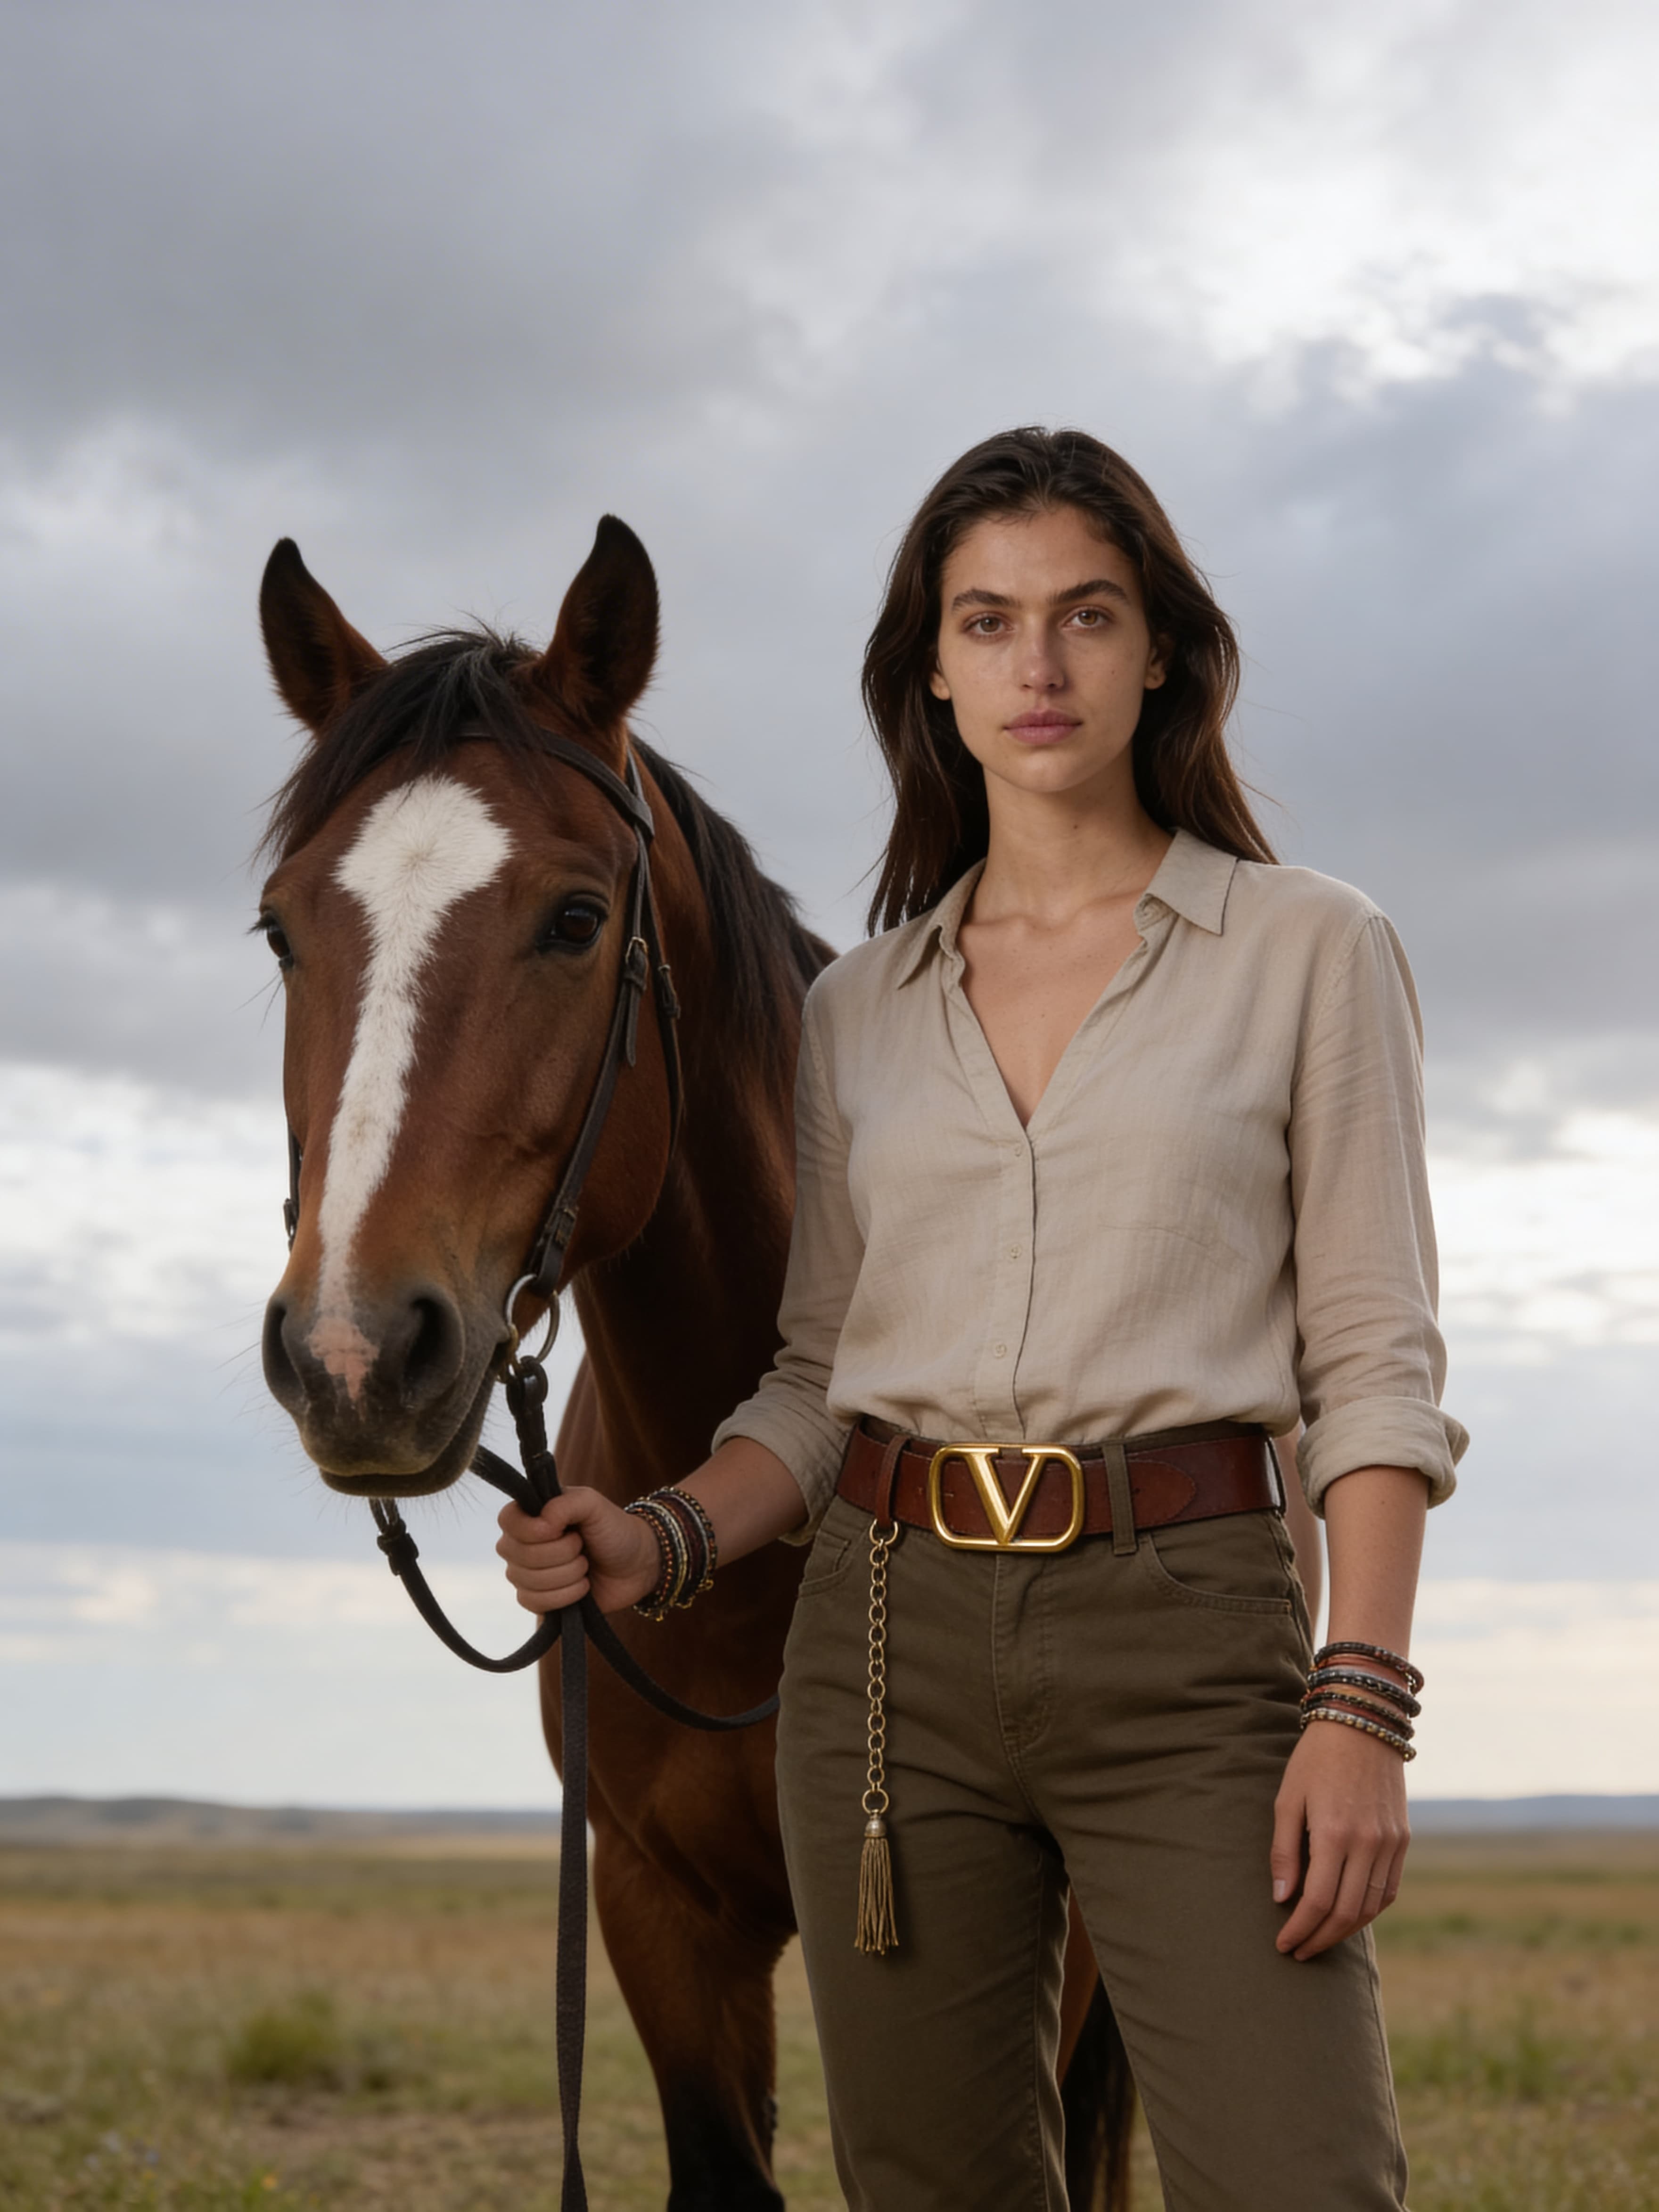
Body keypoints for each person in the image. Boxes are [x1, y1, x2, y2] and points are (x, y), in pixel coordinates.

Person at [497, 428, 1464, 2211]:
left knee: (1302, 2181)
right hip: (886, 1654)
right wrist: (660, 1537)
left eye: (1086, 616)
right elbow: (817, 1381)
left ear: (1159, 647)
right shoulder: (861, 1010)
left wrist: (1362, 1708)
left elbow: (1376, 1364)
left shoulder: (1312, 949)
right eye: (990, 621)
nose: (1040, 665)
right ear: (929, 672)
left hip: (1188, 1645)